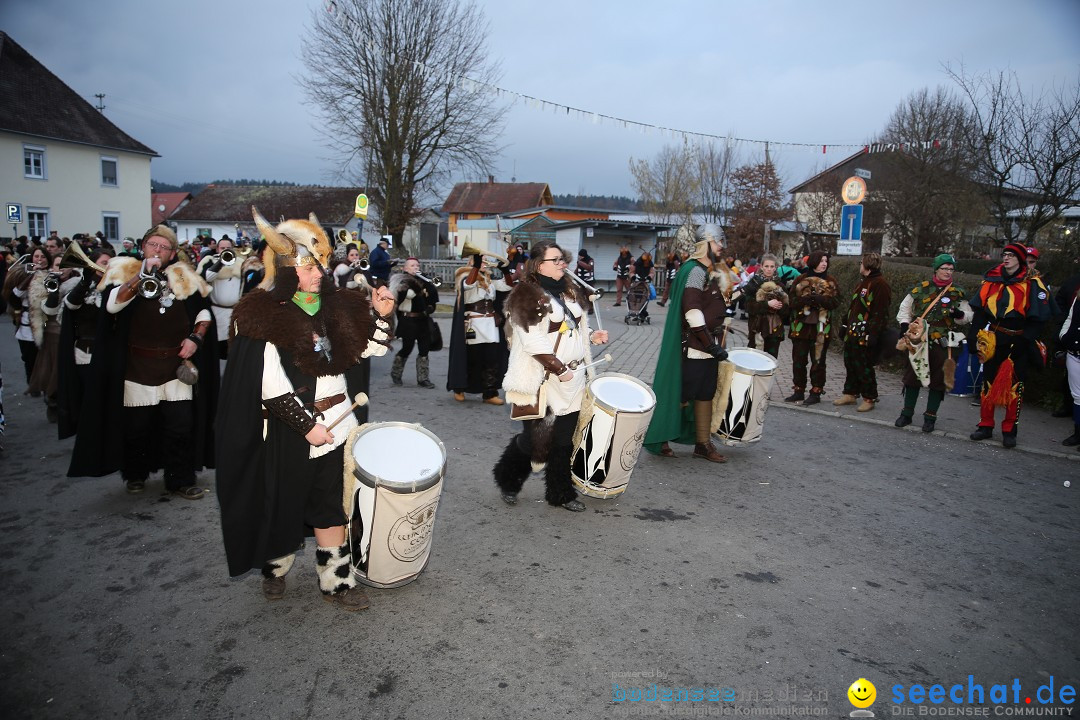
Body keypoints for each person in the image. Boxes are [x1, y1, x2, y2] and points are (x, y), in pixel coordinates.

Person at [216, 207, 394, 610]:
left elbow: (366, 350)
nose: (320, 274)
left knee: (332, 504)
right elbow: (268, 383)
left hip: (339, 422)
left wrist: (381, 316)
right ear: (284, 271)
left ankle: (337, 582)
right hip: (289, 428)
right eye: (310, 268)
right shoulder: (259, 314)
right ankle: (275, 566)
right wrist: (305, 424)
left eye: (321, 266)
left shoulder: (338, 305)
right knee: (283, 502)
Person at [67, 225, 218, 498]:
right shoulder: (122, 272)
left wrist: (195, 338)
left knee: (180, 426)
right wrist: (142, 275)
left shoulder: (183, 276)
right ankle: (135, 474)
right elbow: (112, 305)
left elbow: (204, 312)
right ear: (143, 246)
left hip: (176, 367)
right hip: (138, 366)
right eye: (153, 245)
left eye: (164, 247)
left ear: (172, 253)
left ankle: (180, 479)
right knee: (137, 426)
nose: (158, 251)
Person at [494, 240, 609, 510]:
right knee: (536, 443)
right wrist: (558, 368)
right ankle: (508, 479)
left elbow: (573, 330)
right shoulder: (525, 295)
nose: (562, 264)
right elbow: (532, 340)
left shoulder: (570, 292)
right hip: (541, 380)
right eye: (555, 260)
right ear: (538, 264)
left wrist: (591, 337)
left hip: (573, 377)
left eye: (563, 259)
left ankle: (560, 493)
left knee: (563, 441)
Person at [643, 224, 731, 462]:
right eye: (718, 242)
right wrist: (708, 342)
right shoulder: (694, 271)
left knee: (705, 392)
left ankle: (702, 444)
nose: (722, 246)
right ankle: (660, 436)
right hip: (694, 344)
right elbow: (692, 310)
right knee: (683, 392)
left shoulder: (708, 270)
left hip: (708, 343)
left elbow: (714, 302)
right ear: (707, 243)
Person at [968, 243, 1050, 448]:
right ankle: (985, 425)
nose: (1006, 258)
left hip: (1019, 340)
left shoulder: (1032, 283)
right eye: (1005, 255)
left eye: (1011, 255)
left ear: (1020, 259)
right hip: (994, 339)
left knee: (1015, 387)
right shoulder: (992, 279)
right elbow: (980, 311)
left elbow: (1039, 319)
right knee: (987, 383)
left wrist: (1025, 340)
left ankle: (1009, 429)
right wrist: (972, 336)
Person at [893, 254, 972, 432]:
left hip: (943, 340)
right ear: (936, 269)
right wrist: (905, 326)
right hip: (919, 337)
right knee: (913, 376)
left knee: (939, 379)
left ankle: (930, 417)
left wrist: (958, 315)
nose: (948, 272)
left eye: (951, 269)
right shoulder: (921, 288)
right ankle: (906, 414)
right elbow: (905, 309)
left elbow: (967, 316)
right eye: (944, 268)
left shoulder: (957, 292)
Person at [56, 248, 112, 439]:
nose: (107, 266)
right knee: (90, 398)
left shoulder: (115, 287)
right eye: (104, 262)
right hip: (85, 353)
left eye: (110, 263)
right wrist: (85, 280)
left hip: (108, 353)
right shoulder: (80, 286)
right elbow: (71, 305)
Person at [447, 253, 511, 404]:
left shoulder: (489, 280)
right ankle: (460, 387)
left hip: (490, 323)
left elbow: (508, 285)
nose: (484, 263)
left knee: (491, 359)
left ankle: (489, 393)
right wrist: (475, 267)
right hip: (474, 323)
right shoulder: (463, 276)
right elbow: (468, 284)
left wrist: (506, 271)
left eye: (483, 261)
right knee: (471, 358)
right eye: (480, 261)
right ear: (472, 262)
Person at [833, 253, 891, 413]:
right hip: (853, 331)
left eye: (861, 263)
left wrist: (873, 334)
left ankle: (869, 397)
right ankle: (850, 393)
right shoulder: (864, 282)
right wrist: (845, 324)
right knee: (850, 362)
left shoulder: (880, 284)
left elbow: (880, 312)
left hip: (865, 333)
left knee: (864, 366)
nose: (860, 265)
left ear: (866, 265)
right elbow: (855, 306)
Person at [784, 251, 840, 406]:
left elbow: (836, 302)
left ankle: (816, 391)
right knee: (798, 361)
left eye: (826, 261)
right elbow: (791, 301)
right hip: (801, 328)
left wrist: (821, 300)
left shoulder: (830, 281)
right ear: (814, 261)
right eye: (821, 261)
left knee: (818, 362)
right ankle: (798, 390)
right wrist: (804, 300)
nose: (824, 264)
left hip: (820, 329)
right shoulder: (801, 279)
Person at [389, 257, 439, 388]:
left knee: (424, 349)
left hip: (422, 319)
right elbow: (401, 298)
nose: (416, 268)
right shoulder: (401, 281)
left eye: (417, 265)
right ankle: (396, 372)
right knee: (407, 348)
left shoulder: (425, 280)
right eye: (412, 265)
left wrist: (429, 308)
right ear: (405, 268)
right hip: (408, 320)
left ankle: (423, 378)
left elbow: (432, 301)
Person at [4, 246, 50, 387]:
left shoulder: (52, 273)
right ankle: (32, 384)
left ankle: (46, 383)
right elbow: (14, 296)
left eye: (43, 257)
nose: (39, 259)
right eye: (37, 257)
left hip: (47, 322)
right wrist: (31, 276)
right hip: (27, 326)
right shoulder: (24, 275)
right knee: (29, 358)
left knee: (46, 357)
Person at [197, 236, 244, 360]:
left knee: (235, 348)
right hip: (217, 312)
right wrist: (221, 263)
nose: (225, 250)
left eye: (228, 248)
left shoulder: (241, 263)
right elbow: (206, 278)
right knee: (219, 349)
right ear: (217, 249)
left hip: (236, 312)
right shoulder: (210, 261)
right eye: (223, 248)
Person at [741, 253, 788, 358]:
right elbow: (748, 307)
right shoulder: (754, 284)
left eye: (772, 266)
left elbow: (787, 310)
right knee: (754, 361)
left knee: (770, 361)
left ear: (775, 268)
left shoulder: (780, 286)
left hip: (775, 330)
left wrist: (780, 306)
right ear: (761, 267)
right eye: (766, 266)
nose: (769, 269)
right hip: (757, 328)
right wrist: (767, 304)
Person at [1058, 285, 1080, 450]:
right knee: (1077, 395)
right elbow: (1070, 319)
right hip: (1074, 353)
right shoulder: (1078, 296)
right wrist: (1063, 337)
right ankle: (1078, 433)